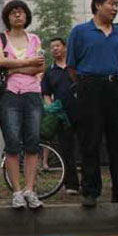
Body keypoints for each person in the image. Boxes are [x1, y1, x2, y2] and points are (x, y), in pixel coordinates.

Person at [67, 0, 118, 209]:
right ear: (97, 5)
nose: (114, 8)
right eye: (111, 3)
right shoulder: (81, 31)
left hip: (114, 86)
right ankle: (90, 191)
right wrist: (83, 84)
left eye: (116, 4)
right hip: (89, 86)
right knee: (90, 140)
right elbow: (72, 65)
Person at [0, 0, 45, 210]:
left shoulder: (34, 38)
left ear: (26, 16)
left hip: (33, 94)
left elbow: (40, 66)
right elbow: (0, 63)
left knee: (32, 142)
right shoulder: (0, 37)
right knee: (13, 143)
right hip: (10, 95)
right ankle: (16, 192)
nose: (17, 15)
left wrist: (14, 68)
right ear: (7, 17)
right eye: (13, 12)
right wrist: (27, 64)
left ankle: (30, 190)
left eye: (21, 12)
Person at [41, 37, 80, 195]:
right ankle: (72, 184)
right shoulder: (50, 71)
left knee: (87, 147)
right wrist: (50, 107)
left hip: (81, 112)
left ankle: (89, 183)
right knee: (66, 149)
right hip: (61, 116)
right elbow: (46, 93)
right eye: (52, 47)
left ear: (65, 47)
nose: (55, 49)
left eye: (57, 46)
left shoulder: (76, 66)